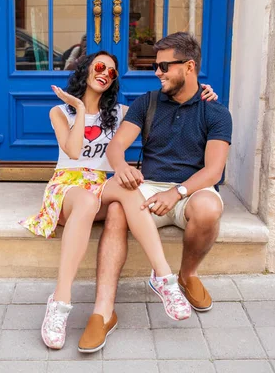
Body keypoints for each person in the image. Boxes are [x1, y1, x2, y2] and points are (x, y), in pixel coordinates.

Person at [20, 50, 218, 350]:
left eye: (112, 72)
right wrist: (78, 108)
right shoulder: (61, 112)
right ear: (86, 69)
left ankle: (164, 277)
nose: (105, 74)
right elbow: (73, 151)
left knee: (127, 190)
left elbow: (164, 104)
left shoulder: (123, 112)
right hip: (69, 187)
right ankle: (60, 302)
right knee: (87, 202)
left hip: (101, 185)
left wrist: (204, 95)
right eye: (100, 67)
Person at [77, 32, 232, 353]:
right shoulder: (146, 102)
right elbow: (117, 147)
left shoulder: (215, 112)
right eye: (155, 66)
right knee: (119, 208)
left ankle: (187, 276)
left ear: (189, 67)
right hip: (148, 189)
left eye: (164, 66)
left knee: (208, 209)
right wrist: (121, 168)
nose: (157, 73)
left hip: (191, 190)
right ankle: (102, 312)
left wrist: (177, 193)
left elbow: (213, 171)